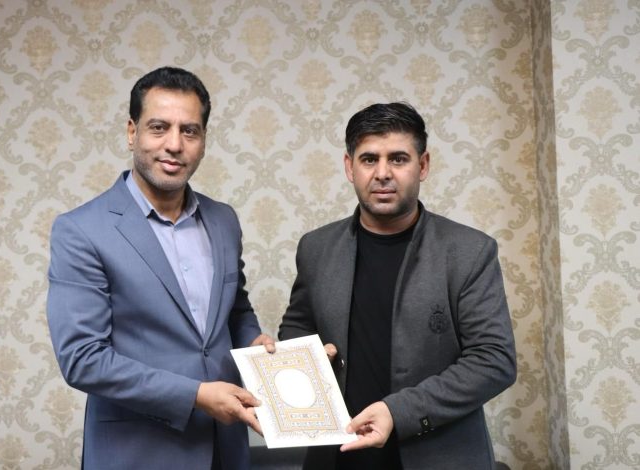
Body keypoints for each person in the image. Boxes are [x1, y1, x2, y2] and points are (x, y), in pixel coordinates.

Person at [46, 66, 274, 470]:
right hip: (137, 453)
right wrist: (196, 395)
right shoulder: (81, 230)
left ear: (203, 140)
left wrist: (253, 342)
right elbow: (83, 359)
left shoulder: (223, 220)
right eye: (159, 127)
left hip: (227, 449)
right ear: (132, 132)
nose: (174, 144)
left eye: (190, 131)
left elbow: (235, 310)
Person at [278, 102, 516, 469]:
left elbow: (494, 360)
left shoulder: (470, 251)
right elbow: (298, 326)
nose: (382, 173)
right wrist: (292, 360)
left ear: (423, 165)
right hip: (336, 457)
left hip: (437, 457)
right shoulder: (316, 247)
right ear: (350, 167)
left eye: (398, 159)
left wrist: (398, 412)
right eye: (369, 159)